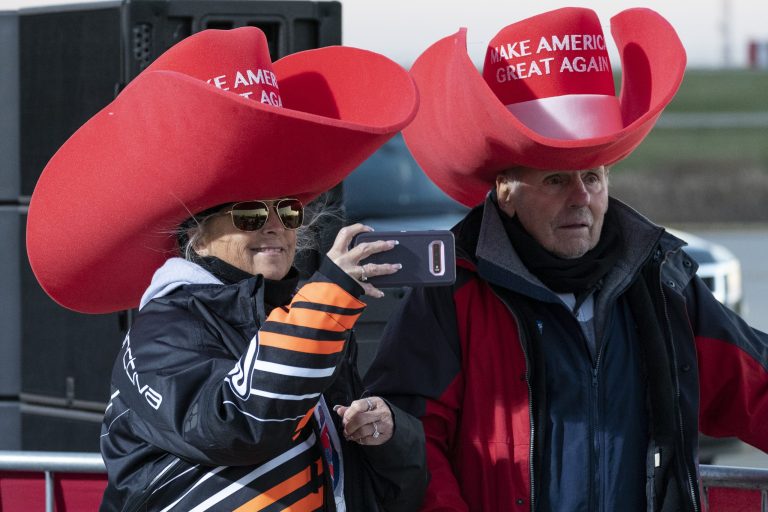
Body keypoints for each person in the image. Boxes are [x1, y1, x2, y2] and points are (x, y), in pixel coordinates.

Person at [364, 7, 768, 512]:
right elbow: (410, 443)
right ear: (505, 191)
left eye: (593, 176)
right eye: (556, 179)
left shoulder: (663, 283)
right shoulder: (452, 292)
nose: (581, 197)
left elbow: (756, 387)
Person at [26, 28, 427, 511]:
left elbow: (381, 491)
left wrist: (387, 434)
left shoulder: (305, 313)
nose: (275, 227)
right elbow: (239, 423)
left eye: (288, 211)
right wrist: (331, 296)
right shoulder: (163, 329)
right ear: (196, 234)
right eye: (250, 215)